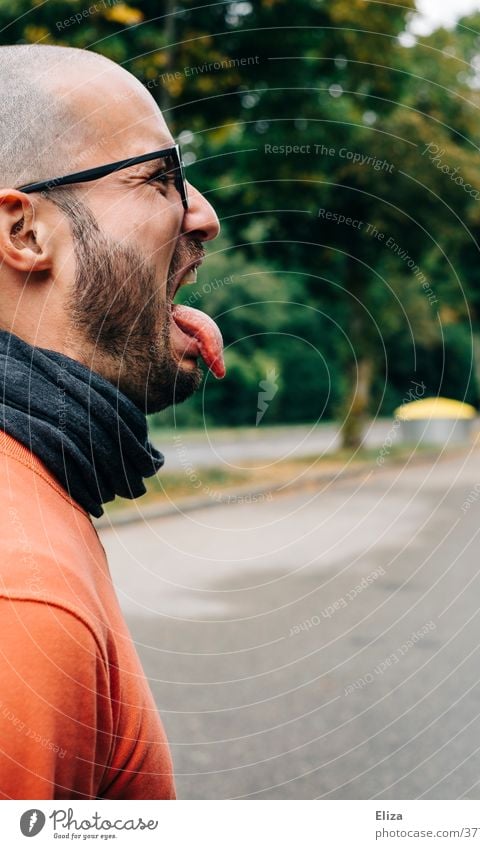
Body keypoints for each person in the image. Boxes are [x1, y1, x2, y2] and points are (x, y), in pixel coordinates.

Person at [0, 43, 224, 799]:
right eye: (160, 180)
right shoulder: (22, 597)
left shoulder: (36, 484)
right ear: (25, 233)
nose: (204, 215)